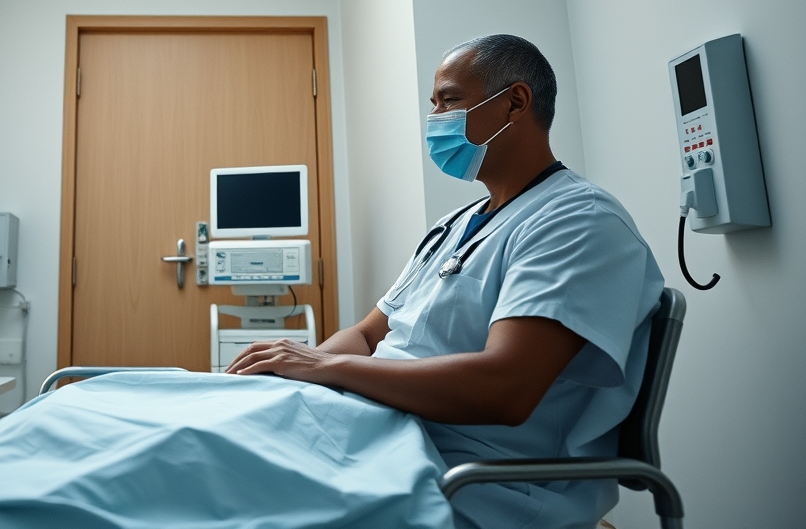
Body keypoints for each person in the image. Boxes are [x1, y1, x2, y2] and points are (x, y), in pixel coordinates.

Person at [227, 34, 665, 529]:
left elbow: (506, 388)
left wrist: (326, 370)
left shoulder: (578, 220)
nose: (435, 118)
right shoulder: (458, 222)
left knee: (215, 482)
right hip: (385, 433)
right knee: (204, 420)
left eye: (450, 100)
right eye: (433, 104)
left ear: (515, 102)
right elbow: (372, 334)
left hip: (474, 480)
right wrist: (297, 381)